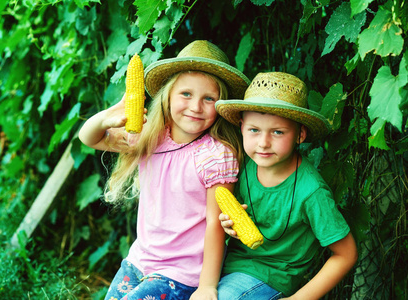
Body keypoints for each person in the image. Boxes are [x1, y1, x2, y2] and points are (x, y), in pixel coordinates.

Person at [78, 40, 250, 300]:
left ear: (220, 104)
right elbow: (88, 138)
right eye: (186, 94)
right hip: (139, 261)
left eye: (208, 99)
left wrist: (207, 287)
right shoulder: (150, 137)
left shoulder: (215, 156)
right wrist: (105, 118)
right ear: (168, 95)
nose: (196, 107)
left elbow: (215, 225)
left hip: (180, 274)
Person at [214, 72, 358, 300]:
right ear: (241, 128)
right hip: (227, 264)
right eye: (254, 130)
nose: (263, 143)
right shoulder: (242, 166)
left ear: (300, 135)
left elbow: (346, 254)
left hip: (271, 276)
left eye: (278, 132)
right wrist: (227, 224)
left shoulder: (311, 191)